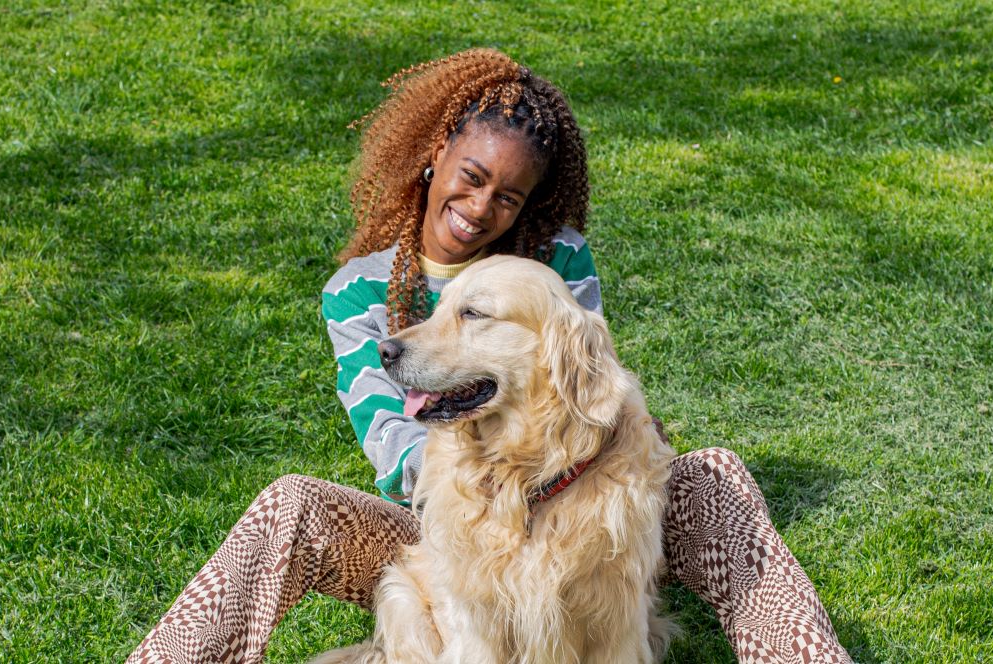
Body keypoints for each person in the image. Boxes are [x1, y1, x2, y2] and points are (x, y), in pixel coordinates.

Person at [129, 48, 851, 664]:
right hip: (441, 520)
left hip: (585, 507)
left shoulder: (557, 258)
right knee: (292, 502)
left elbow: (588, 386)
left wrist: (580, 463)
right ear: (437, 151)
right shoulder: (358, 293)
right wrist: (492, 490)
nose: (480, 207)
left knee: (713, 472)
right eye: (472, 177)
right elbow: (398, 450)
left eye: (507, 197)